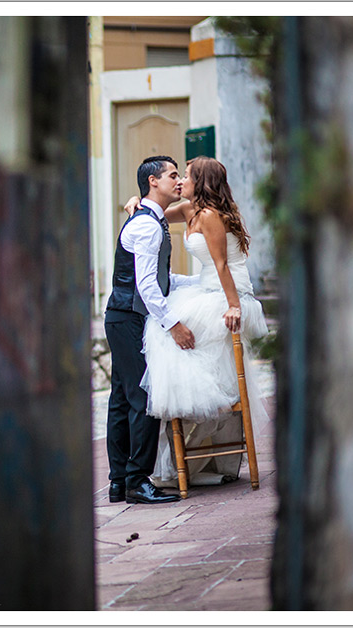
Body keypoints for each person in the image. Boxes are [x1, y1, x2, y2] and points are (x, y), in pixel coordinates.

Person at [122, 156, 269, 485]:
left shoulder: (209, 215)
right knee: (166, 332)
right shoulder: (189, 210)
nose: (179, 182)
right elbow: (155, 214)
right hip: (204, 288)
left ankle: (197, 409)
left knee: (168, 335)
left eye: (185, 176)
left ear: (199, 182)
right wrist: (137, 202)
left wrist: (234, 306)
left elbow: (221, 266)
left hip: (226, 292)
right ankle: (190, 421)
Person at [104, 155, 199, 505]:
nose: (177, 181)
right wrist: (173, 325)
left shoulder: (150, 220)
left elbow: (159, 278)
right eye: (172, 175)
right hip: (129, 317)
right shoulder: (146, 225)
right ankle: (137, 481)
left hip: (123, 316)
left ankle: (119, 482)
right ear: (152, 182)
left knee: (121, 399)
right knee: (143, 398)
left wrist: (196, 284)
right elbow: (146, 286)